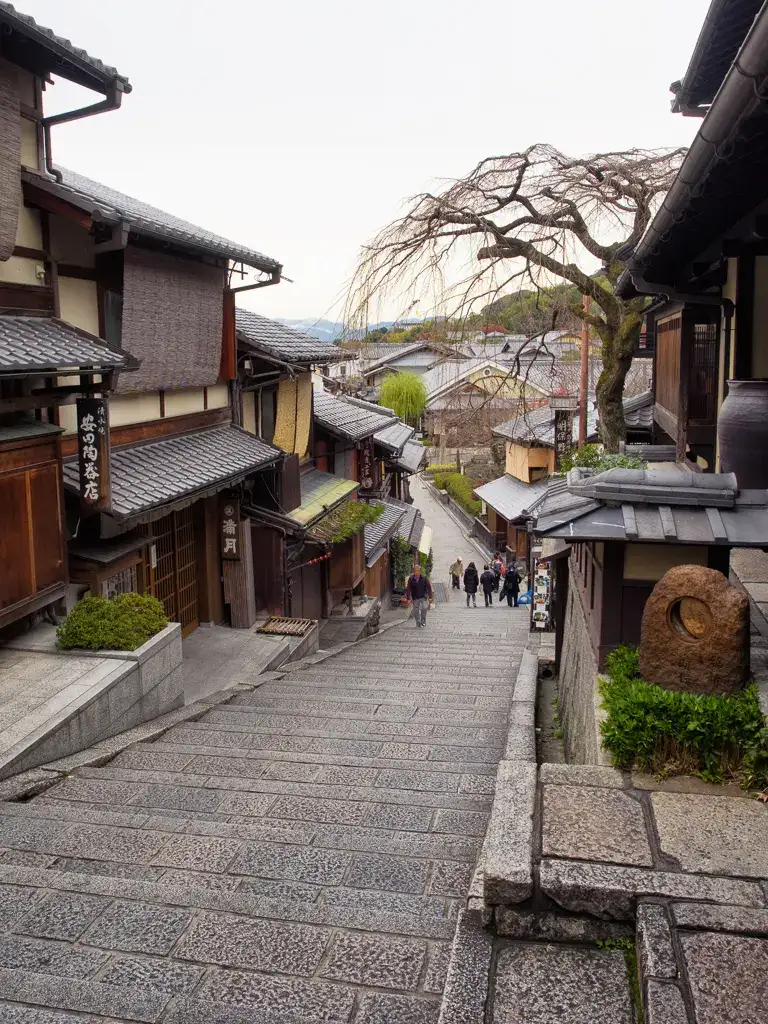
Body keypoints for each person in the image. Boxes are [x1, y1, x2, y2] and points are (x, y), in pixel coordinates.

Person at [406, 563, 433, 628]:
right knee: (416, 610)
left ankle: (423, 621)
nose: (416, 572)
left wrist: (430, 597)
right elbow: (408, 588)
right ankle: (418, 622)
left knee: (424, 608)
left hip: (423, 596)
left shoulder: (424, 578)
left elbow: (429, 587)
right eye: (415, 571)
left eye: (418, 571)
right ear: (413, 571)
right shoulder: (411, 578)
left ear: (420, 571)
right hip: (415, 597)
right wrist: (408, 598)